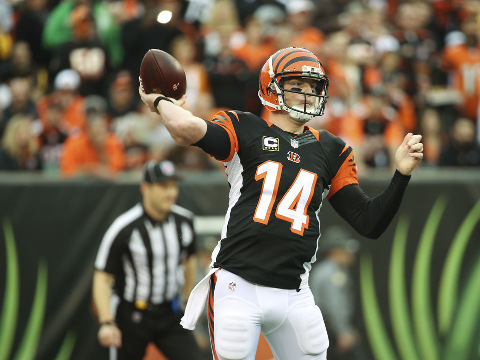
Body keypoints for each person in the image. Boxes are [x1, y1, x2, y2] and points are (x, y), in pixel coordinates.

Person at [139, 46, 424, 360]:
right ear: (271, 87)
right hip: (238, 286)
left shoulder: (332, 150)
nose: (308, 93)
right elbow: (184, 128)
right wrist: (161, 101)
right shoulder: (244, 127)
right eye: (297, 85)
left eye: (313, 87)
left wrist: (401, 175)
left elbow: (369, 223)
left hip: (294, 293)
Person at [92, 160, 204, 360]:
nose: (170, 193)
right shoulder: (125, 227)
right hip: (133, 314)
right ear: (145, 188)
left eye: (173, 185)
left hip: (170, 313)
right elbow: (102, 276)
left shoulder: (184, 222)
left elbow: (189, 261)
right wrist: (107, 322)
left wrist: (188, 299)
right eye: (163, 186)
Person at [309, 226, 366, 360]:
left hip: (324, 330)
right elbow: (334, 304)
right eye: (345, 249)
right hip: (330, 332)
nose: (350, 254)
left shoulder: (327, 270)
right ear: (335, 251)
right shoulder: (332, 273)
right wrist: (343, 331)